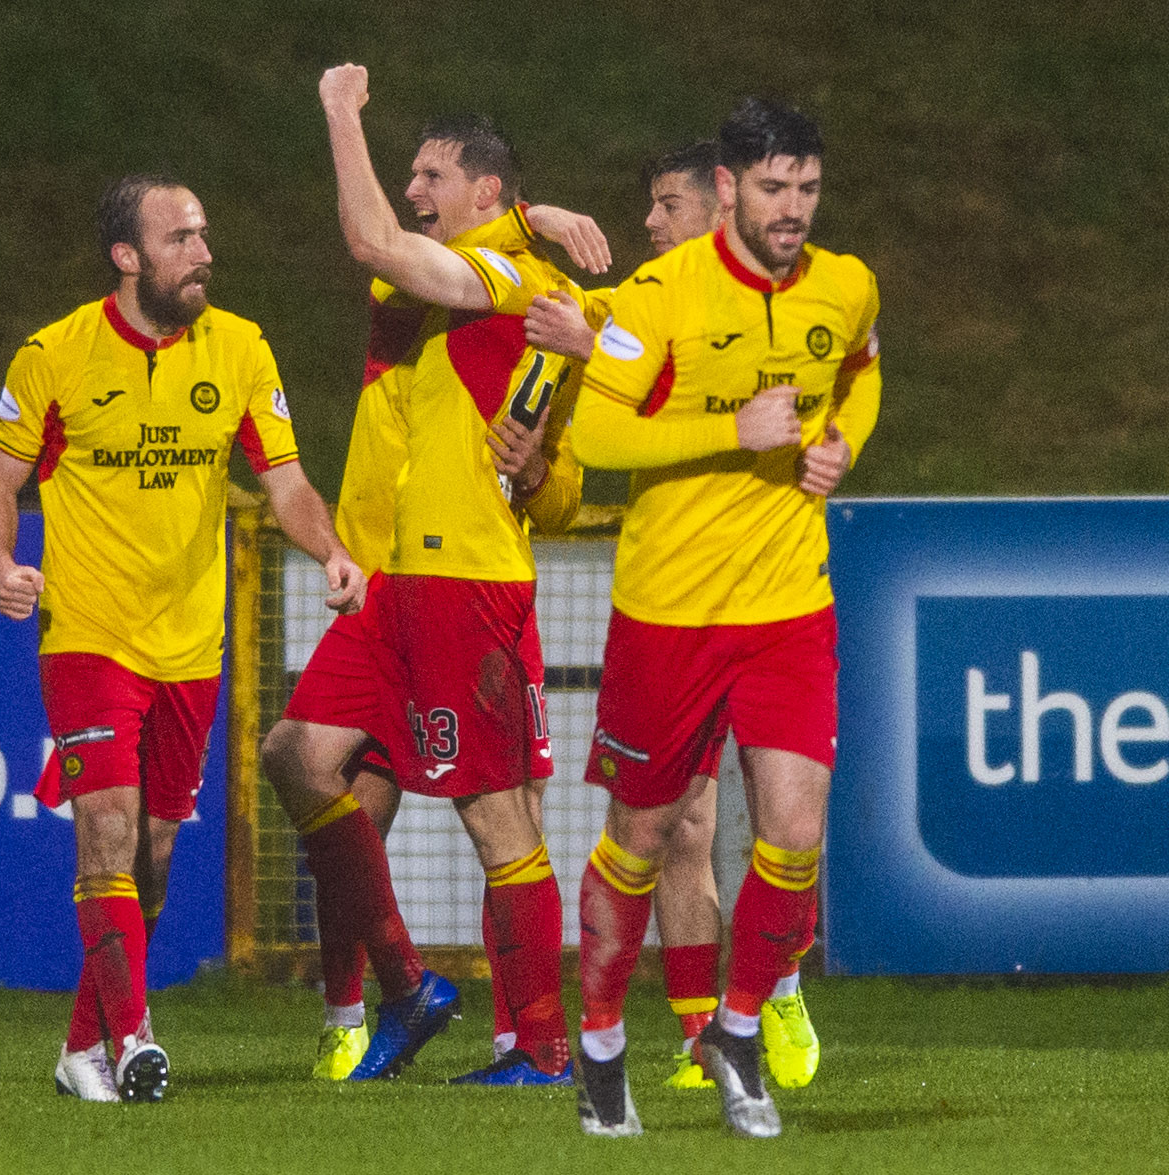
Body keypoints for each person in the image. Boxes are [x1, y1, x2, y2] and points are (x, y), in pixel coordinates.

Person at [0, 174, 365, 1103]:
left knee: (149, 861)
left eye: (204, 234)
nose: (204, 253)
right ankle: (137, 1036)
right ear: (128, 256)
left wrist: (332, 549)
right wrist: (1, 564)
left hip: (191, 644)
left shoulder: (239, 349)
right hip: (90, 634)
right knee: (104, 834)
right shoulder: (54, 355)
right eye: (181, 238)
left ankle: (84, 1048)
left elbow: (287, 484)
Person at [261, 62, 613, 1088]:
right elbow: (387, 252)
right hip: (388, 588)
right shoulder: (440, 282)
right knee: (293, 755)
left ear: (482, 193)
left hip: (465, 583)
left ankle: (541, 1047)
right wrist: (529, 211)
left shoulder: (526, 288)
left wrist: (336, 114)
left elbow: (555, 488)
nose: (412, 189)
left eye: (430, 173)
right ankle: (409, 987)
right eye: (408, 171)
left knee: (497, 818)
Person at [565, 98, 881, 1138]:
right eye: (775, 189)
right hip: (670, 611)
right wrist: (727, 428)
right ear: (730, 189)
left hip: (790, 602)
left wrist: (837, 444)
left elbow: (860, 369)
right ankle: (601, 1037)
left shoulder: (844, 283)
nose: (793, 209)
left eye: (808, 189)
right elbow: (598, 426)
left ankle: (738, 1027)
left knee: (793, 834)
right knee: (642, 839)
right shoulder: (657, 294)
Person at [526, 140, 822, 1095]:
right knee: (681, 827)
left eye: (664, 204)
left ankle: (771, 989)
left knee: (781, 824)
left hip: (768, 597)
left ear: (718, 206)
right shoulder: (642, 306)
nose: (648, 223)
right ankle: (704, 1034)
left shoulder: (776, 312)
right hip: (670, 603)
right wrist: (535, 223)